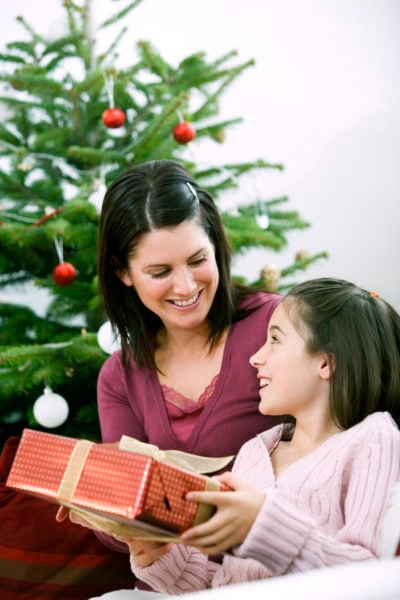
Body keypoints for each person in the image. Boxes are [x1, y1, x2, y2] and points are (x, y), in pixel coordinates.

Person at [120, 277, 400, 593]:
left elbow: (373, 575)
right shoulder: (256, 452)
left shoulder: (373, 440)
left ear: (325, 362)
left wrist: (263, 524)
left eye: (275, 340)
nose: (256, 357)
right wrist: (157, 552)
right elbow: (226, 586)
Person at [91, 159, 282, 563]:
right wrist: (103, 511)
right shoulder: (119, 377)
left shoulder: (277, 325)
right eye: (160, 271)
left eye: (197, 260)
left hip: (278, 570)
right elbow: (123, 525)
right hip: (178, 584)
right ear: (122, 272)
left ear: (216, 245)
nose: (186, 286)